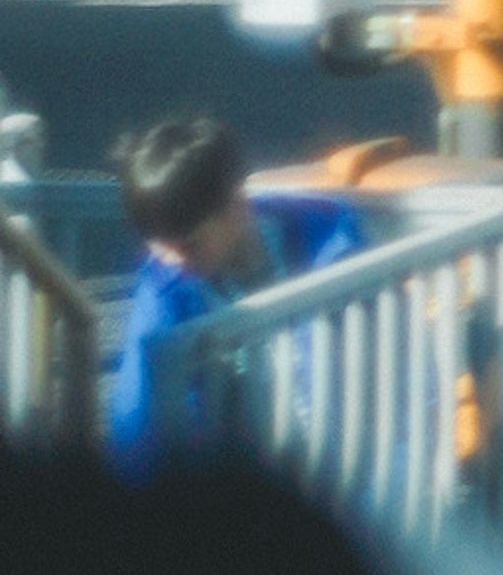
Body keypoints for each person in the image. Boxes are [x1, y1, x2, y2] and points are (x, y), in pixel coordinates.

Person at [104, 110, 364, 475]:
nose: (171, 261)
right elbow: (138, 413)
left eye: (189, 245)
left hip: (341, 477)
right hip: (241, 490)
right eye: (158, 246)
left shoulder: (328, 247)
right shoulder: (165, 290)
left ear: (236, 205)